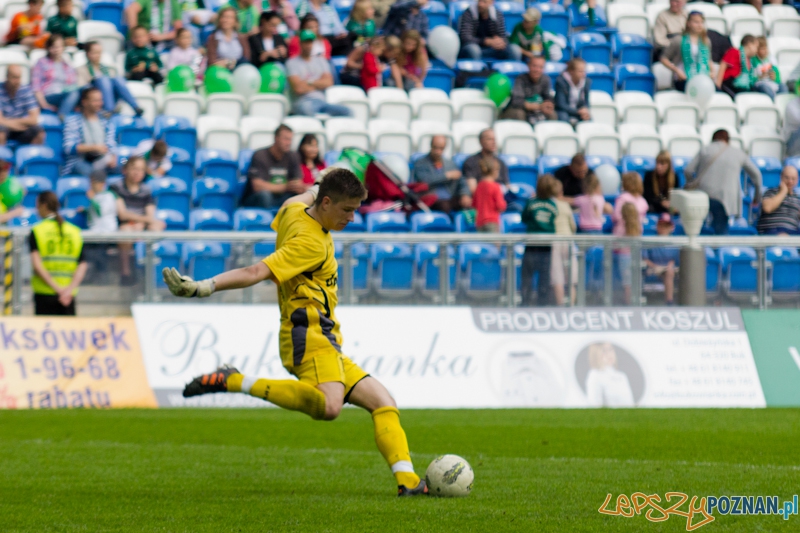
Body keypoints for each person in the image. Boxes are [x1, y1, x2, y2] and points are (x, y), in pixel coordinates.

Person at [162, 167, 429, 497]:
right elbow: (256, 271)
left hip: (326, 337)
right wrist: (205, 286)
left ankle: (409, 482)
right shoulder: (310, 243)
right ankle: (234, 380)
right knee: (330, 407)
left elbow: (308, 195)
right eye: (347, 210)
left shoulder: (293, 209)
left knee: (382, 402)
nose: (351, 218)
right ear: (328, 203)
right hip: (309, 334)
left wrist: (319, 182)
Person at [684, 129, 762, 235]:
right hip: (725, 198)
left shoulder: (705, 150)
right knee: (721, 231)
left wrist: (691, 182)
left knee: (698, 228)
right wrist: (757, 197)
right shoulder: (738, 153)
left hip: (702, 195)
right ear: (728, 140)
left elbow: (688, 170)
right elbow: (757, 175)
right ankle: (719, 245)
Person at [29, 191, 88, 316]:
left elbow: (37, 266)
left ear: (44, 206)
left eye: (37, 206)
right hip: (68, 296)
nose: (36, 210)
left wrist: (58, 290)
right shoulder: (74, 231)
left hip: (45, 293)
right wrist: (68, 290)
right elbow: (82, 265)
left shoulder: (37, 231)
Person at [112, 156, 165, 285]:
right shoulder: (117, 187)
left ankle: (151, 275)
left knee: (156, 227)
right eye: (134, 169)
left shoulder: (146, 190)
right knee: (125, 232)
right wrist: (141, 221)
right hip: (125, 226)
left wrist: (142, 223)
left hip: (141, 225)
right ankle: (126, 274)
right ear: (126, 170)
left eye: (141, 169)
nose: (137, 173)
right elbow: (123, 214)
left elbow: (150, 214)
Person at [287, 30, 352, 117]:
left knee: (347, 111)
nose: (309, 45)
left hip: (322, 101)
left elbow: (329, 82)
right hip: (303, 102)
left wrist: (308, 82)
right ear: (300, 43)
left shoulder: (321, 61)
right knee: (307, 110)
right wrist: (319, 83)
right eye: (306, 42)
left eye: (310, 42)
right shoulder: (292, 63)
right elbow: (299, 88)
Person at [241, 124, 304, 208]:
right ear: (276, 138)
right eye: (285, 139)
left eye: (290, 139)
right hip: (257, 198)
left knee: (299, 196)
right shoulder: (260, 155)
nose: (288, 143)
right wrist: (285, 187)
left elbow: (297, 182)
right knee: (265, 195)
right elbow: (257, 186)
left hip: (281, 197)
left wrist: (297, 186)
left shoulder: (293, 156)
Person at [63, 87, 118, 176]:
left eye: (100, 100)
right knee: (87, 170)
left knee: (122, 167)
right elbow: (69, 148)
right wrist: (93, 148)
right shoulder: (73, 121)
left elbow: (111, 144)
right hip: (80, 162)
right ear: (84, 102)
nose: (99, 103)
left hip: (102, 161)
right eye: (95, 101)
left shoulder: (106, 121)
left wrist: (113, 157)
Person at [78, 41, 143, 116]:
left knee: (118, 79)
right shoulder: (81, 70)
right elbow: (83, 88)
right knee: (103, 80)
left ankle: (135, 107)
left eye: (99, 53)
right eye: (95, 53)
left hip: (111, 97)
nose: (98, 55)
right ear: (87, 54)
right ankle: (108, 110)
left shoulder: (108, 69)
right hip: (94, 98)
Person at [521, 174, 557, 306]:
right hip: (546, 246)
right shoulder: (553, 204)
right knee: (544, 276)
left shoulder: (531, 203)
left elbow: (524, 218)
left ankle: (526, 302)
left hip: (532, 245)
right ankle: (542, 303)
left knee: (527, 275)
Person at [411, 136, 471, 213]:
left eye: (441, 148)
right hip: (432, 199)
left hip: (450, 198)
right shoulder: (420, 163)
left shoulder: (450, 164)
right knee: (444, 205)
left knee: (469, 204)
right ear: (431, 146)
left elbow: (462, 181)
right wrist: (446, 176)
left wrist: (465, 194)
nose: (438, 151)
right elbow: (424, 181)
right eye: (435, 148)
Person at [660, 11, 712, 92]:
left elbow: (708, 60)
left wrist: (712, 71)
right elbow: (664, 58)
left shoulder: (706, 41)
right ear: (688, 23)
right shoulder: (678, 40)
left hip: (702, 78)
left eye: (701, 22)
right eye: (696, 22)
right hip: (683, 78)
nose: (699, 25)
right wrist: (677, 70)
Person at [32, 34, 80, 120]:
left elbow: (74, 84)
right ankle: (62, 116)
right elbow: (36, 87)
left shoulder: (67, 65)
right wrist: (44, 105)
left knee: (85, 90)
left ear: (63, 48)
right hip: (49, 95)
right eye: (53, 47)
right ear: (48, 48)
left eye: (59, 47)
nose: (56, 50)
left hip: (66, 94)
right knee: (74, 93)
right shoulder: (41, 62)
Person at [502, 55, 556, 125]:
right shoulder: (520, 79)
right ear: (528, 66)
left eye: (540, 67)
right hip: (517, 109)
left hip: (537, 109)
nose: (537, 70)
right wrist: (539, 106)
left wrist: (548, 105)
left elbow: (548, 97)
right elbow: (517, 102)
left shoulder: (546, 79)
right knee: (519, 113)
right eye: (534, 66)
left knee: (552, 114)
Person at [0, 65, 44, 147]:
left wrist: (12, 123)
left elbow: (34, 118)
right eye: (14, 77)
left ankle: (34, 154)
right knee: (0, 132)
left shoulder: (26, 90)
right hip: (5, 127)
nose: (17, 81)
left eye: (19, 77)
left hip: (20, 127)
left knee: (39, 132)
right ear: (7, 77)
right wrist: (13, 125)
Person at [550, 179, 577, 306]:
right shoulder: (565, 206)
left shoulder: (549, 205)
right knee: (570, 277)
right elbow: (573, 226)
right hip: (568, 241)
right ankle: (570, 305)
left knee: (558, 277)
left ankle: (560, 305)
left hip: (555, 241)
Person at [644, 213, 679, 305]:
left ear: (671, 227)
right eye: (661, 225)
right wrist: (655, 266)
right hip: (653, 268)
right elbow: (645, 258)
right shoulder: (650, 240)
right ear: (657, 226)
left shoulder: (675, 242)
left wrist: (670, 265)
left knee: (670, 271)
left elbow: (676, 259)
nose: (663, 228)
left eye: (666, 226)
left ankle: (671, 302)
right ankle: (669, 301)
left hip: (670, 269)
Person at [585, 342, 635, 407]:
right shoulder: (595, 375)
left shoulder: (621, 376)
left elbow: (630, 403)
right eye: (604, 351)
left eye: (610, 349)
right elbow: (594, 405)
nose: (609, 354)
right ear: (596, 354)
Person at [462, 129, 510, 193]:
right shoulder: (471, 162)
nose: (494, 142)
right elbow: (473, 190)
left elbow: (507, 186)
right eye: (489, 139)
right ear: (481, 141)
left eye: (494, 139)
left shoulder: (501, 162)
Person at [757, 165, 800, 235]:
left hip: (793, 232)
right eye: (787, 178)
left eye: (793, 179)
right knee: (783, 236)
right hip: (772, 231)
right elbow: (767, 208)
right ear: (781, 177)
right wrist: (783, 192)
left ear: (797, 180)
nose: (790, 181)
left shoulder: (797, 198)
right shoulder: (770, 192)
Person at [616, 202, 642, 305]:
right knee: (635, 281)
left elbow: (616, 244)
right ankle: (635, 304)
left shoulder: (620, 226)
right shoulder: (638, 225)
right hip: (636, 256)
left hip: (624, 257)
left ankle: (629, 305)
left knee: (627, 283)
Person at [473, 158, 506, 233]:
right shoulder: (496, 186)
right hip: (492, 222)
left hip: (480, 222)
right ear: (494, 171)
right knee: (494, 241)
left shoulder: (479, 186)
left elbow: (474, 204)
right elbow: (501, 206)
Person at [554, 58, 591, 125]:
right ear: (571, 72)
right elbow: (561, 104)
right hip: (564, 111)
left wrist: (585, 109)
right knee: (563, 117)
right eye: (580, 71)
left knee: (588, 118)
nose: (583, 74)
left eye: (584, 71)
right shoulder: (561, 81)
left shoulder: (586, 82)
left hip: (579, 110)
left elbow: (586, 101)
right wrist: (577, 111)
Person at [613, 172, 649, 238]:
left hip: (636, 233)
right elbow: (616, 216)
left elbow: (642, 219)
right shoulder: (622, 198)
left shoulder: (643, 201)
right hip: (622, 234)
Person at [752, 37, 786, 101]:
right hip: (760, 84)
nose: (765, 51)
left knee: (783, 86)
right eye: (762, 49)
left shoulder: (771, 59)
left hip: (772, 83)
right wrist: (760, 77)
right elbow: (751, 78)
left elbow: (778, 77)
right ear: (756, 49)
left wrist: (774, 77)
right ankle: (774, 103)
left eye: (766, 48)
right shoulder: (753, 60)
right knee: (765, 88)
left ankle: (782, 102)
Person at [84, 169, 118, 233]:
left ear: (102, 184)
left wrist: (92, 199)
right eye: (90, 182)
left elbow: (101, 212)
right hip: (95, 231)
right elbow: (94, 212)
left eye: (94, 183)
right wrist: (84, 210)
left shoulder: (108, 196)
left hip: (107, 231)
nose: (91, 185)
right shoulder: (95, 195)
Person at [643, 150, 675, 215]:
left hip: (668, 207)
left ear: (668, 165)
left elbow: (676, 196)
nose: (658, 166)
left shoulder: (675, 177)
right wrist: (661, 202)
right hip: (654, 207)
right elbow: (647, 197)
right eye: (657, 163)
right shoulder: (649, 176)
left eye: (662, 164)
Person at [0, 157, 25, 225]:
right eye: (0, 170)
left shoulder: (11, 184)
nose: (3, 173)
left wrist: (21, 195)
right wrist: (14, 213)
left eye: (6, 170)